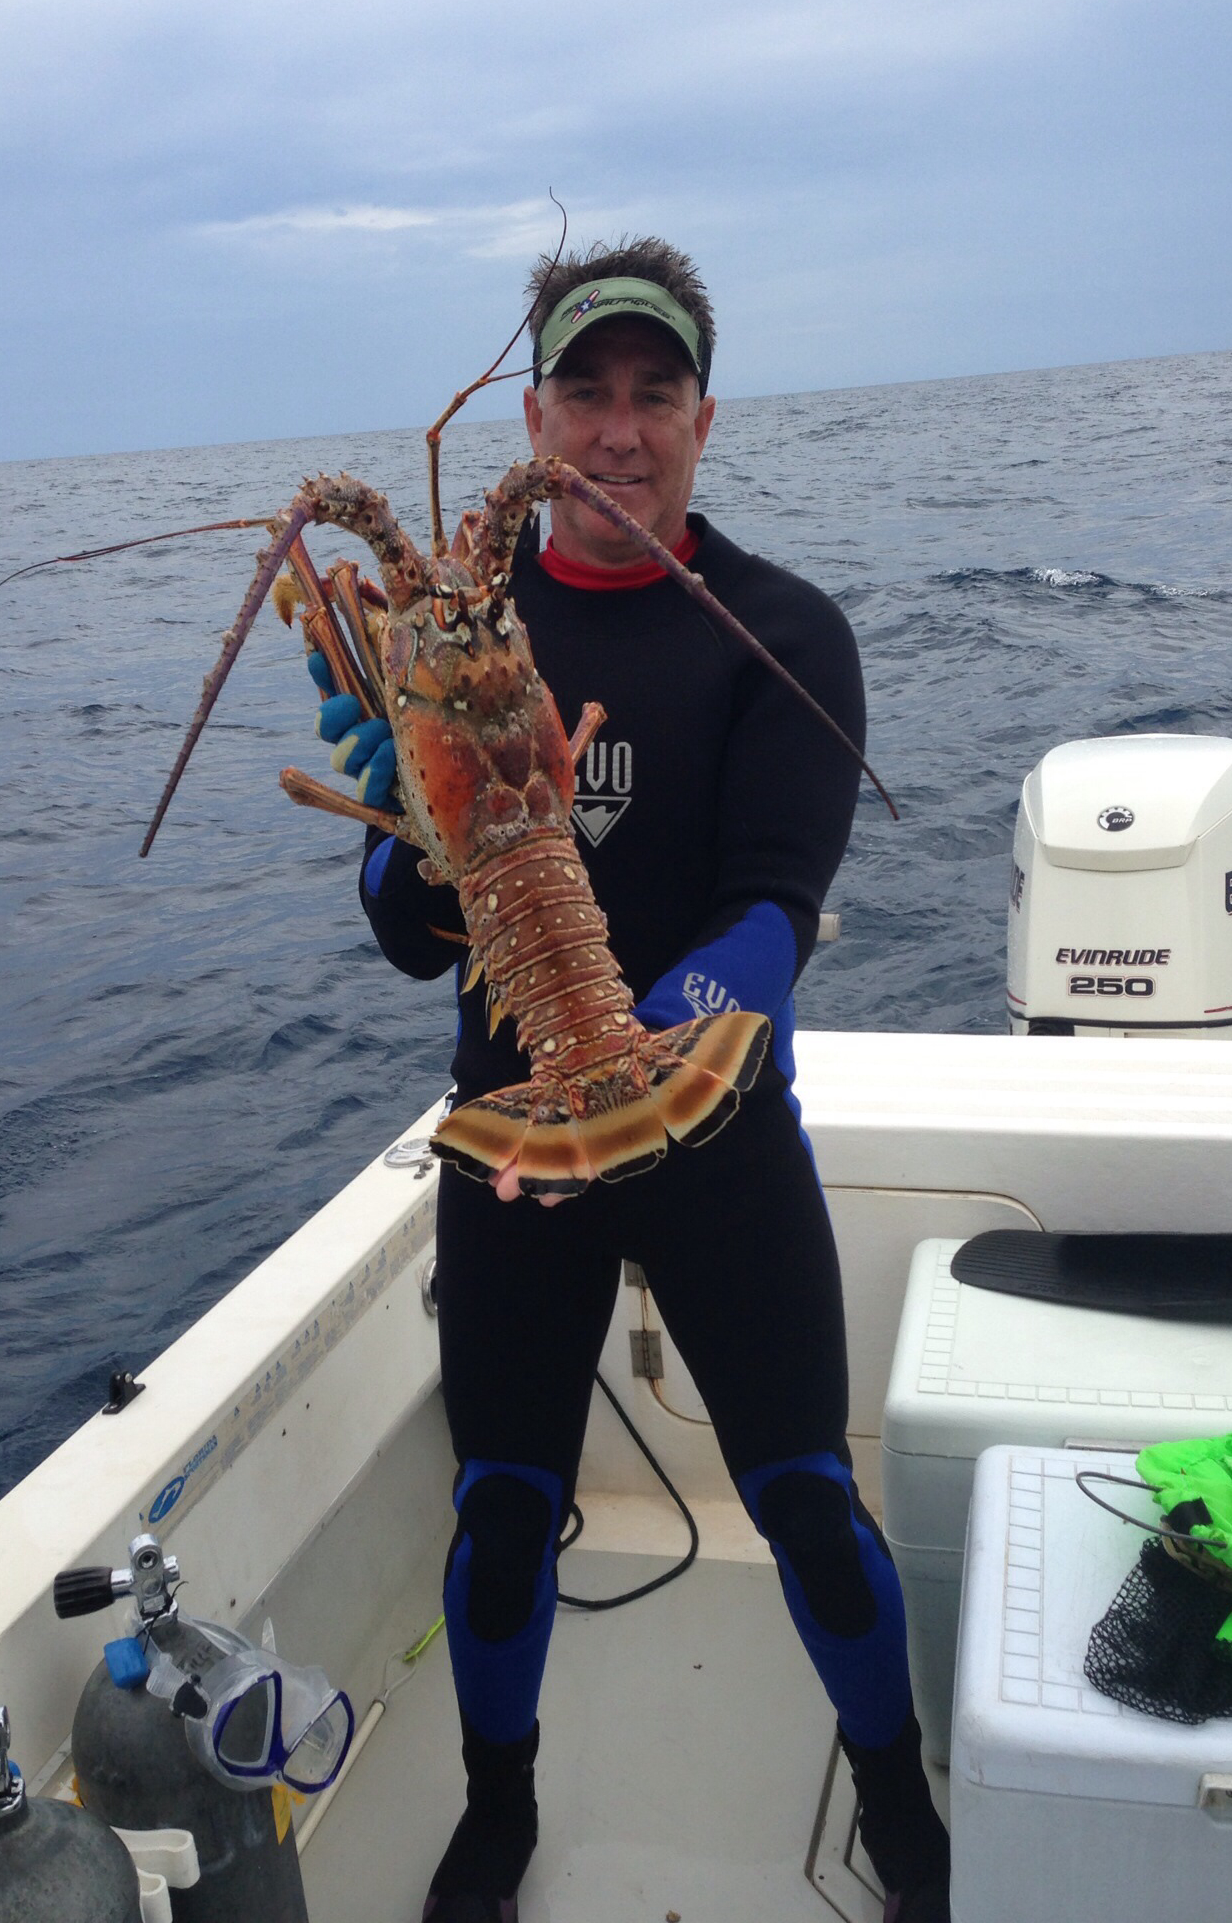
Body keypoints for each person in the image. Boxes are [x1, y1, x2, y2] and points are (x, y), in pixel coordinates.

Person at [312, 240, 951, 1923]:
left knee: (807, 1499)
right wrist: (416, 826)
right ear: (533, 419)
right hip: (516, 1140)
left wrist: (645, 1054)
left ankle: (899, 1807)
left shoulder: (783, 629)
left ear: (701, 420)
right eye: (583, 393)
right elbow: (403, 935)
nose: (616, 429)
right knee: (504, 1508)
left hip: (711, 1122)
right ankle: (500, 1813)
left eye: (651, 394)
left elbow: (773, 914)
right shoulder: (454, 622)